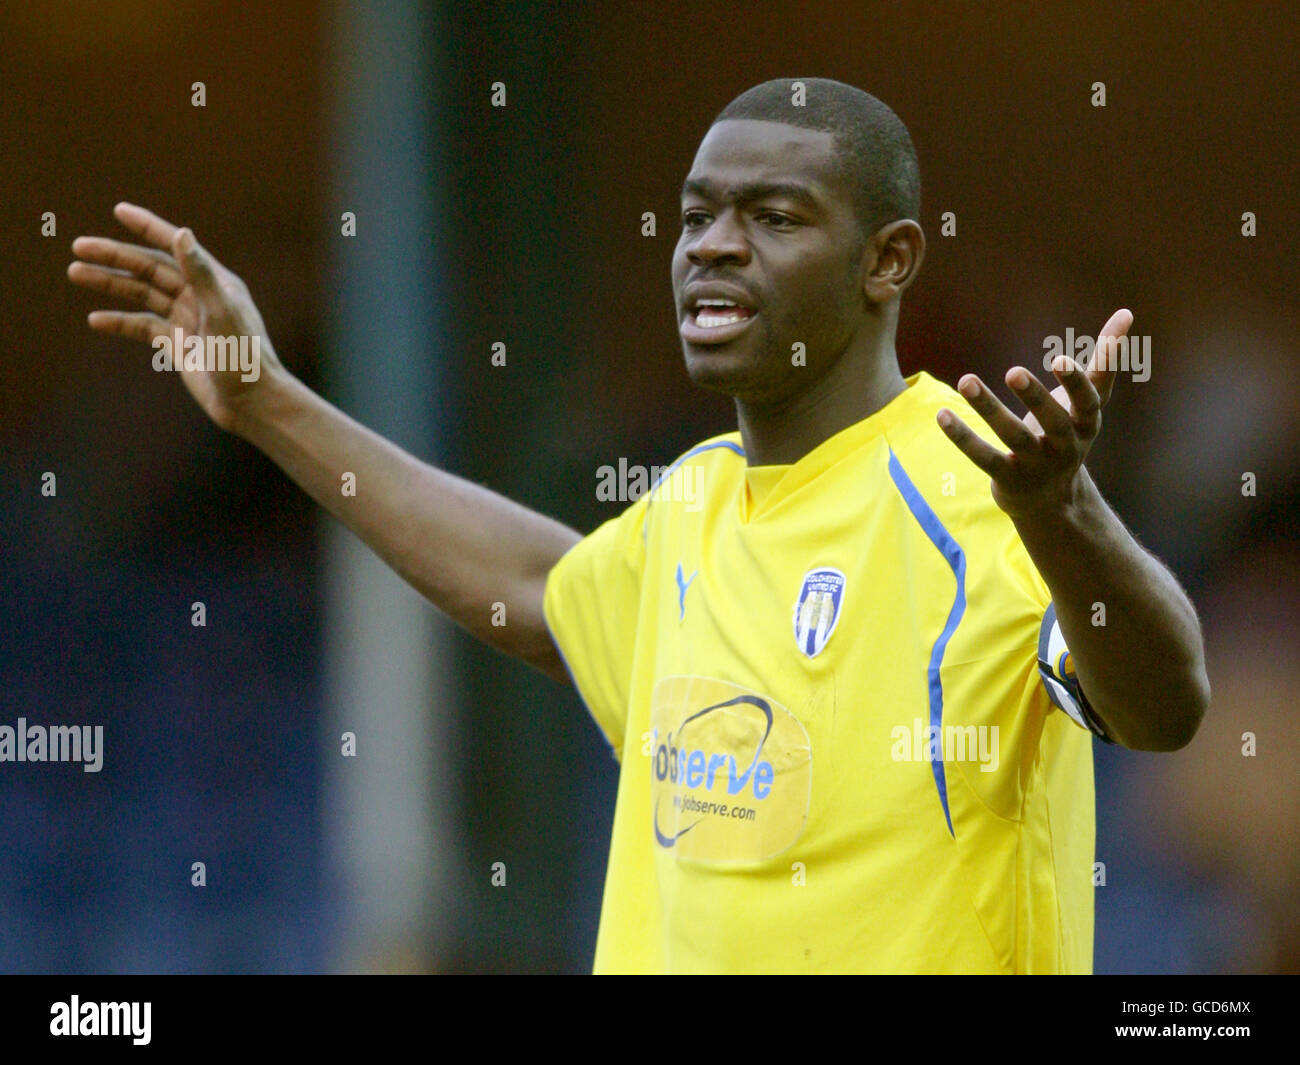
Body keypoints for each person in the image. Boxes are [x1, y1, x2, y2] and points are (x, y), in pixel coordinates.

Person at [66, 77, 1209, 974]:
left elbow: (1161, 705)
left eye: (773, 216)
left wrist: (1065, 518)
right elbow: (541, 589)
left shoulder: (975, 493)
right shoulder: (693, 501)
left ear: (887, 262)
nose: (712, 244)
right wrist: (267, 401)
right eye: (696, 215)